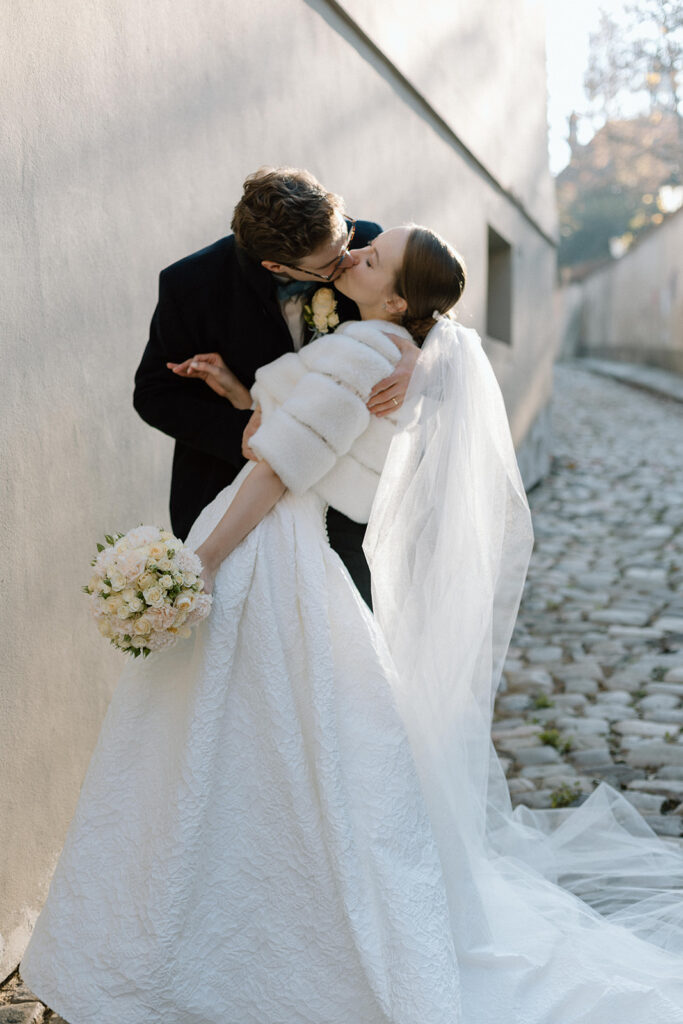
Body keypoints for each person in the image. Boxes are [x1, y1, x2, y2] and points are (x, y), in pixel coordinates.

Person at [21, 225, 683, 1023]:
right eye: (353, 251)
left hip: (272, 544)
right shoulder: (371, 338)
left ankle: (229, 932)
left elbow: (278, 468)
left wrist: (200, 564)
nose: (354, 254)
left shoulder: (363, 348)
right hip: (288, 534)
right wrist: (240, 390)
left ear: (398, 299)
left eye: (370, 257)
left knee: (251, 735)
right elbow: (294, 427)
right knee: (265, 737)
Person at [132, 166, 420, 606]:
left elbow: (428, 306)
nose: (348, 258)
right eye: (330, 263)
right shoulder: (191, 285)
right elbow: (153, 394)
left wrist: (420, 354)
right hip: (229, 491)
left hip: (343, 509)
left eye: (346, 237)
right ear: (276, 266)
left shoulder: (366, 247)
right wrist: (241, 430)